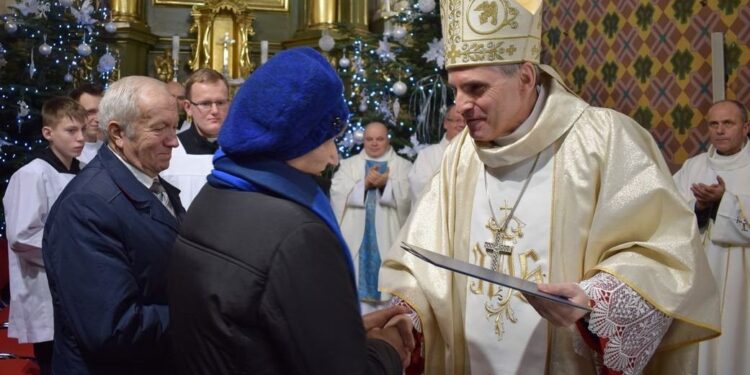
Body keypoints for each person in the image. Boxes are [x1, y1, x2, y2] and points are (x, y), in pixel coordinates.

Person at [379, 1, 720, 374]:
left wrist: (593, 300)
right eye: (455, 90)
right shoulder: (459, 156)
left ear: (526, 77)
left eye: (476, 88)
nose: (460, 106)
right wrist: (407, 315)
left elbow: (666, 255)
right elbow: (419, 259)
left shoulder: (603, 140)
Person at [167, 47, 414, 374]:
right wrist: (389, 347)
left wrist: (347, 330)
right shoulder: (300, 234)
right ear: (295, 140)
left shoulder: (216, 192)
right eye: (327, 139)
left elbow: (251, 326)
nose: (333, 158)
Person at [42, 76, 185, 375]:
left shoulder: (150, 183)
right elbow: (113, 329)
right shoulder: (86, 207)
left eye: (175, 126)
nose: (174, 140)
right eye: (159, 128)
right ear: (118, 133)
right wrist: (202, 316)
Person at [3, 97, 86, 375]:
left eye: (83, 130)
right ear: (48, 133)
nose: (81, 138)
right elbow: (21, 236)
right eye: (71, 131)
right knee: (53, 361)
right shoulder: (31, 175)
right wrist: (74, 254)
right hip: (44, 286)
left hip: (78, 284)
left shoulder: (83, 173)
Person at [673, 99, 750, 375]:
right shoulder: (693, 168)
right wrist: (700, 208)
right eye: (713, 124)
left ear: (745, 127)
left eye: (728, 123)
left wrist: (724, 202)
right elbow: (669, 215)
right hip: (703, 278)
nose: (719, 130)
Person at [331, 122, 412, 313]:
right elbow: (337, 192)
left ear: (387, 139)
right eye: (369, 139)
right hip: (356, 240)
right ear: (363, 140)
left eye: (379, 139)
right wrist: (364, 185)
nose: (374, 143)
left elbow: (410, 198)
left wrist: (387, 185)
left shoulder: (403, 166)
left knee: (388, 286)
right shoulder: (348, 165)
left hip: (388, 239)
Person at [408, 104, 465, 205]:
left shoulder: (477, 153)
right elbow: (419, 186)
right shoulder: (427, 155)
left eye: (466, 121)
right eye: (457, 120)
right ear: (446, 123)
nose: (461, 125)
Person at [178, 68, 229, 154]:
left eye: (220, 103)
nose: (215, 111)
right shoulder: (173, 149)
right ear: (188, 108)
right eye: (205, 104)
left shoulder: (244, 146)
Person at [69, 83, 104, 164]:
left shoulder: (111, 151)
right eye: (90, 112)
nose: (98, 118)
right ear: (73, 112)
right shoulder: (66, 154)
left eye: (101, 111)